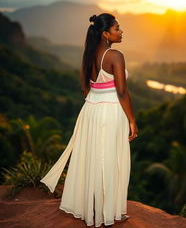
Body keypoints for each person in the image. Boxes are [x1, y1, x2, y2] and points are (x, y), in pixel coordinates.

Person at [40, 13, 138, 227]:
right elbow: (122, 92)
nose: (121, 32)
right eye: (117, 28)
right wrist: (132, 120)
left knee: (93, 158)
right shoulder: (115, 56)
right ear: (105, 33)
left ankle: (92, 210)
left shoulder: (89, 54)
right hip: (110, 111)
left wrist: (95, 104)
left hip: (91, 110)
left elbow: (86, 88)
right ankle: (108, 212)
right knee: (111, 159)